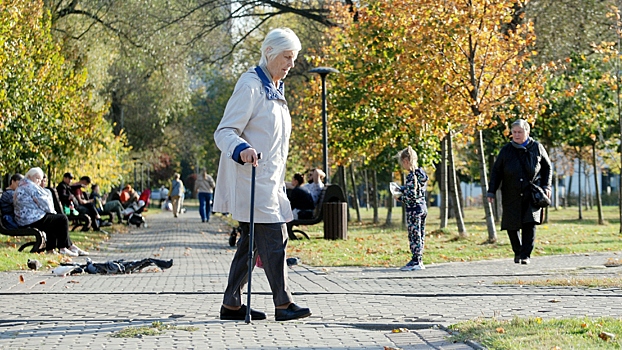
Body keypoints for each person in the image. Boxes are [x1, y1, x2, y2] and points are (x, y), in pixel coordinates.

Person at [213, 27, 311, 322]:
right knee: (275, 237)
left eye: (293, 59)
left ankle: (231, 304)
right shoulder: (251, 85)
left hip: (269, 182)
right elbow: (225, 131)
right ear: (269, 53)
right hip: (251, 180)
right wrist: (241, 147)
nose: (291, 64)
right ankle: (283, 303)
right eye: (286, 57)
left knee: (251, 243)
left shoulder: (274, 91)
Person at [487, 119, 552, 265]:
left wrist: (546, 186)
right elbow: (496, 172)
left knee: (530, 223)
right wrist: (491, 191)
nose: (516, 135)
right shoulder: (506, 150)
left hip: (532, 192)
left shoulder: (537, 147)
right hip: (511, 193)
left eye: (519, 132)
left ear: (527, 132)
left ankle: (525, 255)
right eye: (514, 132)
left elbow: (547, 167)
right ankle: (517, 251)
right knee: (512, 225)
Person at [14, 167, 88, 256]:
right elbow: (44, 203)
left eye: (40, 179)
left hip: (24, 218)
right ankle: (63, 247)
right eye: (37, 178)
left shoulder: (23, 185)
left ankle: (52, 249)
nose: (38, 181)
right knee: (62, 218)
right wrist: (52, 211)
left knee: (52, 220)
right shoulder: (31, 186)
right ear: (29, 176)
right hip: (30, 218)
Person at [397, 146, 429, 271]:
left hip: (413, 210)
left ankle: (416, 261)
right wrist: (403, 189)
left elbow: (411, 196)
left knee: (414, 236)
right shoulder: (421, 174)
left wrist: (399, 197)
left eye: (402, 163)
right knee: (420, 235)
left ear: (406, 161)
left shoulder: (411, 176)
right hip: (422, 208)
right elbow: (418, 191)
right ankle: (419, 259)